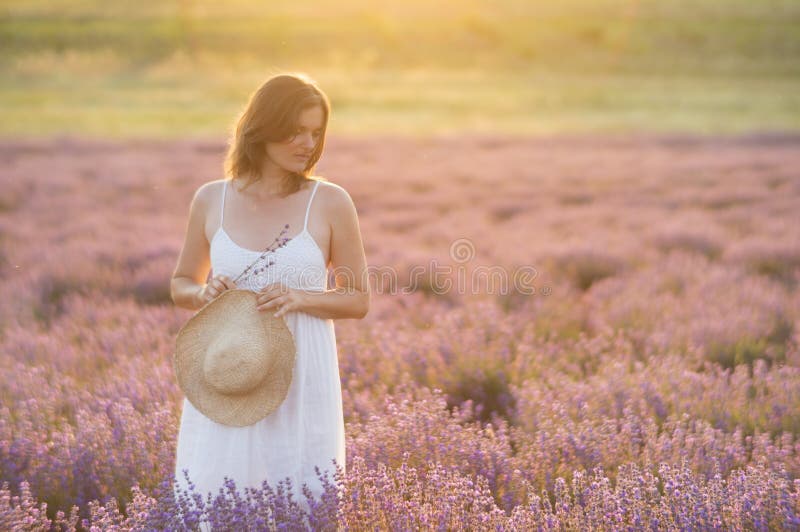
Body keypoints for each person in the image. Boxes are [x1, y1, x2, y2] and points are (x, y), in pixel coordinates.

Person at [169, 72, 370, 525]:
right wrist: (202, 293)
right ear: (261, 128)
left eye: (316, 132)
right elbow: (181, 282)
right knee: (218, 502)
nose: (307, 143)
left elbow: (358, 299)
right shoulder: (210, 200)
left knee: (301, 499)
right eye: (296, 130)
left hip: (302, 379)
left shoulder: (331, 201)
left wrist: (301, 297)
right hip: (230, 376)